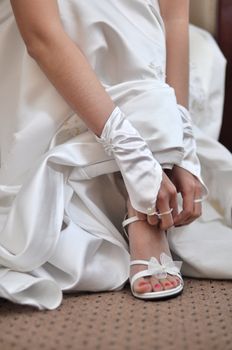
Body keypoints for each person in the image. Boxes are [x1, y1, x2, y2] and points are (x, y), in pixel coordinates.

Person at [0, 0, 231, 309]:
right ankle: (143, 206)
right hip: (42, 41)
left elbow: (174, 18)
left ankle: (148, 189)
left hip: (145, 58)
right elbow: (40, 36)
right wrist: (133, 153)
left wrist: (183, 141)